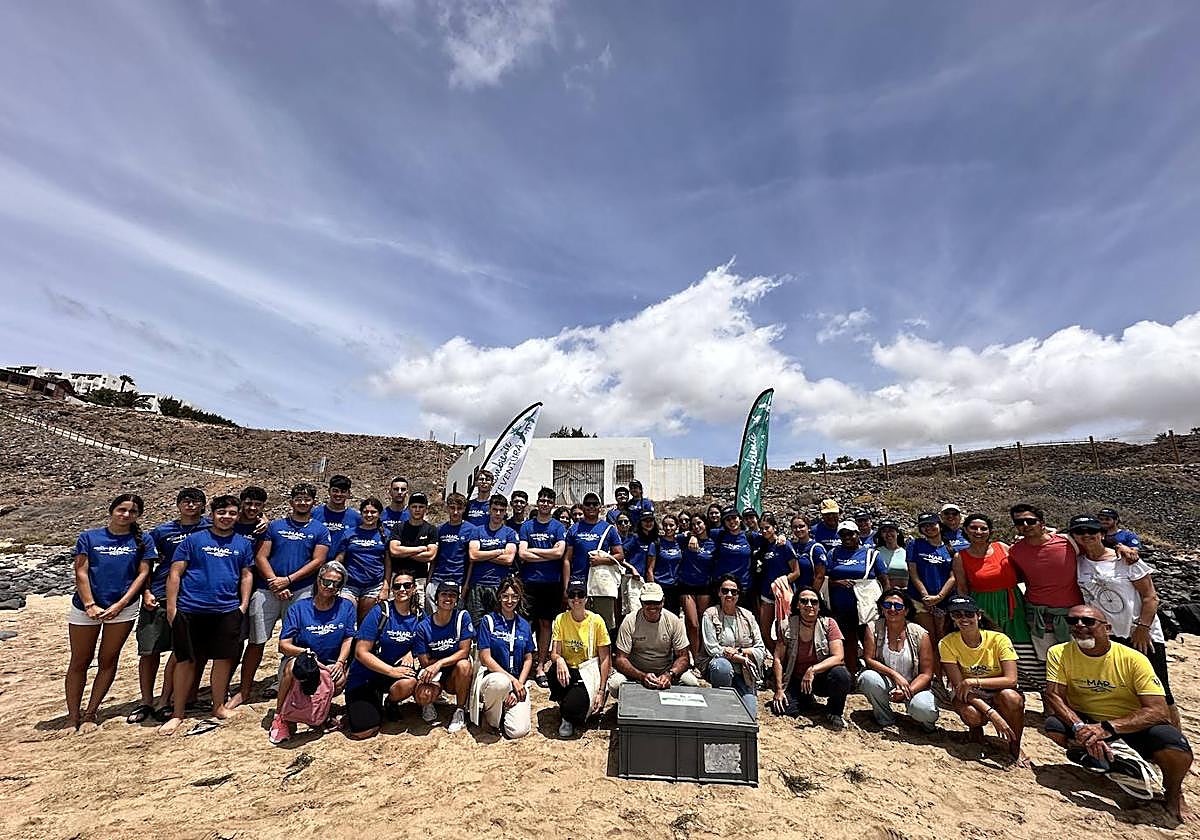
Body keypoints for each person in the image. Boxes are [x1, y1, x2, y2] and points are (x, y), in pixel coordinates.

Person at [1042, 605, 1194, 823]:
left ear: (1107, 629)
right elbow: (1054, 695)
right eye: (1072, 621)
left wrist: (1107, 728)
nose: (1079, 626)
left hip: (1130, 723)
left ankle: (1174, 793)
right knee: (1054, 726)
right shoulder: (1059, 652)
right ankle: (1108, 760)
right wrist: (1081, 728)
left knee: (1176, 748)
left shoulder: (1133, 659)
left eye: (1088, 622)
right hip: (1088, 720)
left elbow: (1159, 711)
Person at [157, 495, 255, 736]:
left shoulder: (242, 543)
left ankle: (218, 706)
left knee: (222, 660)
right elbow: (175, 574)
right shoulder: (194, 540)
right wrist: (172, 608)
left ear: (237, 516)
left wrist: (242, 606)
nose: (226, 517)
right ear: (212, 514)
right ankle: (177, 713)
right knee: (185, 661)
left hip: (226, 610)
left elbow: (246, 575)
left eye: (232, 513)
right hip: (190, 609)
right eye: (221, 512)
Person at [1070, 514, 1178, 728]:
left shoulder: (1126, 560)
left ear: (1102, 534)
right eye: (1079, 532)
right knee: (1123, 688)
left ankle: (1175, 738)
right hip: (1108, 636)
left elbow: (1150, 597)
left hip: (1140, 634)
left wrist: (1142, 628)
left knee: (1159, 690)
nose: (1086, 535)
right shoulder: (1078, 562)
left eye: (1092, 531)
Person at [66, 494, 156, 730]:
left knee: (108, 660)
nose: (126, 515)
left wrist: (121, 604)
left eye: (132, 511)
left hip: (123, 608)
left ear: (138, 515)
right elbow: (81, 572)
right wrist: (90, 604)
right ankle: (72, 716)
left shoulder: (143, 539)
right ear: (112, 510)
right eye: (122, 509)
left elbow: (143, 574)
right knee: (79, 661)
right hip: (86, 606)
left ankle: (90, 713)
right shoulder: (89, 537)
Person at [244, 483, 332, 702]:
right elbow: (261, 556)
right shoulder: (275, 526)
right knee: (256, 640)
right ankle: (244, 689)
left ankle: (283, 681)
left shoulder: (320, 530)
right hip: (267, 589)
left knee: (295, 640)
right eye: (298, 499)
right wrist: (275, 581)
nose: (302, 502)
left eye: (307, 499)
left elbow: (318, 560)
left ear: (313, 503)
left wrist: (289, 580)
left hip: (301, 590)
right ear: (291, 501)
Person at [132, 488, 209, 724]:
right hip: (159, 594)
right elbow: (145, 563)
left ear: (203, 505)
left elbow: (245, 522)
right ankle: (146, 700)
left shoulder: (211, 527)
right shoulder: (162, 531)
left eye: (196, 501)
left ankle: (169, 699)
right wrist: (145, 591)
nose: (190, 505)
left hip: (191, 596)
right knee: (150, 649)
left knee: (182, 651)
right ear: (178, 504)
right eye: (186, 501)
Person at [268, 560, 357, 744]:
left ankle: (318, 713)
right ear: (318, 580)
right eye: (326, 581)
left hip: (330, 662)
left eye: (336, 583)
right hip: (303, 661)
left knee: (339, 679)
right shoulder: (298, 608)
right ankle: (280, 716)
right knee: (293, 669)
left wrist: (340, 662)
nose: (330, 586)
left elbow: (349, 637)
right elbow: (283, 645)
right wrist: (306, 653)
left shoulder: (346, 606)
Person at [938, 595, 1027, 766]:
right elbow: (959, 687)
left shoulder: (999, 639)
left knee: (1012, 698)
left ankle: (1015, 744)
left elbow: (1011, 679)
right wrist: (992, 714)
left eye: (968, 614)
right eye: (957, 614)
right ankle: (975, 729)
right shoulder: (947, 643)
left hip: (997, 689)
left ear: (978, 615)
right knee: (972, 715)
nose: (964, 618)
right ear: (952, 618)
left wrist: (974, 681)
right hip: (968, 694)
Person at [952, 514, 1036, 684]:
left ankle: (1031, 685)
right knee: (989, 644)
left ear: (990, 531)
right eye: (973, 528)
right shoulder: (960, 557)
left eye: (983, 528)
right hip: (983, 606)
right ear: (966, 530)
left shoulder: (1002, 547)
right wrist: (966, 613)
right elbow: (962, 588)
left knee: (1021, 642)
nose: (978, 532)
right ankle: (995, 686)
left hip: (1012, 602)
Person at [343, 569, 422, 740]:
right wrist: (391, 671)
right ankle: (369, 704)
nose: (402, 589)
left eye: (407, 585)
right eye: (397, 586)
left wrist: (411, 652)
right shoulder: (381, 611)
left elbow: (425, 640)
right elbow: (360, 652)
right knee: (364, 731)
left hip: (392, 675)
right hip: (366, 674)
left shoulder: (419, 615)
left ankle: (391, 703)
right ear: (392, 589)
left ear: (414, 588)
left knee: (409, 682)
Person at [1007, 503, 1082, 664]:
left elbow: (1098, 548)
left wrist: (1123, 547)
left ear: (1041, 523)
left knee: (1080, 661)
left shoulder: (1069, 542)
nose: (1025, 525)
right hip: (1038, 617)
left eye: (1030, 521)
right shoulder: (1014, 551)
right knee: (1049, 662)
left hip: (1073, 616)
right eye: (1019, 522)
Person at [771, 587, 851, 729]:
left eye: (814, 602)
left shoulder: (829, 624)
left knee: (841, 674)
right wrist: (779, 689)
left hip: (821, 678)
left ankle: (835, 712)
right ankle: (806, 698)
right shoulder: (786, 625)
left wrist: (812, 670)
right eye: (804, 601)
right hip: (795, 679)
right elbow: (778, 659)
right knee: (783, 709)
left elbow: (839, 657)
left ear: (819, 606)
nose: (809, 605)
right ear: (797, 605)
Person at [859, 588, 938, 731]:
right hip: (889, 681)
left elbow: (926, 674)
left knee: (924, 710)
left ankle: (927, 726)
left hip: (915, 685)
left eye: (898, 606)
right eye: (887, 605)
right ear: (882, 608)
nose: (892, 609)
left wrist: (908, 690)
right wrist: (895, 675)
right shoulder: (873, 628)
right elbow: (869, 659)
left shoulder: (920, 634)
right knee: (867, 678)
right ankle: (885, 718)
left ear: (906, 611)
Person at [608, 582, 694, 698]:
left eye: (656, 602)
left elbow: (683, 657)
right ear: (641, 602)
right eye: (648, 602)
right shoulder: (630, 621)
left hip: (666, 671)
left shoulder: (673, 621)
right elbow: (620, 659)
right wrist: (642, 676)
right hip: (635, 672)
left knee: (691, 683)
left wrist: (670, 674)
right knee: (615, 685)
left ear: (663, 601)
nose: (652, 606)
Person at [825, 522, 890, 675]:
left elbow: (884, 580)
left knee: (870, 640)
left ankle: (876, 674)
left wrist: (886, 603)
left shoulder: (871, 554)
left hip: (866, 607)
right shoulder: (833, 554)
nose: (847, 537)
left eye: (851, 533)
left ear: (858, 534)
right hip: (841, 607)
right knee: (848, 642)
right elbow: (826, 578)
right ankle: (852, 675)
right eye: (843, 534)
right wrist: (837, 583)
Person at [474, 576, 535, 739]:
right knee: (500, 683)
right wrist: (512, 682)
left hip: (517, 682)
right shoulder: (488, 621)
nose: (509, 601)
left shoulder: (524, 624)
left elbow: (528, 658)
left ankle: (504, 709)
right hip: (494, 679)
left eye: (514, 596)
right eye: (505, 596)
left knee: (518, 731)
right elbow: (485, 657)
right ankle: (490, 719)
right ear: (499, 596)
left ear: (519, 598)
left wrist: (518, 685)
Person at [518, 487, 567, 686]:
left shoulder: (558, 527)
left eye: (549, 501)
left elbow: (559, 553)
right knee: (524, 624)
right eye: (542, 500)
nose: (545, 503)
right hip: (529, 582)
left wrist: (535, 552)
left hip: (551, 583)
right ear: (537, 502)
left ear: (553, 504)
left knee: (546, 624)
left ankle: (540, 666)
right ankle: (522, 663)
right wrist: (548, 553)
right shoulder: (527, 526)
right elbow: (522, 553)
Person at [549, 581, 611, 737]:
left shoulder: (597, 621)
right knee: (552, 672)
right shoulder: (561, 619)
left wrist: (601, 691)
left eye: (580, 595)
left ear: (586, 598)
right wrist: (560, 660)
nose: (576, 599)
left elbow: (605, 658)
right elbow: (554, 654)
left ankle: (572, 709)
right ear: (567, 598)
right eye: (572, 595)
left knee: (574, 708)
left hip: (587, 673)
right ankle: (567, 711)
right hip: (569, 671)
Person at [413, 580, 475, 732]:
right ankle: (431, 700)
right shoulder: (423, 627)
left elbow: (464, 652)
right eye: (444, 594)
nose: (448, 598)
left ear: (457, 600)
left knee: (464, 665)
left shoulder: (462, 617)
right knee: (423, 696)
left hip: (454, 672)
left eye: (452, 595)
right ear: (436, 598)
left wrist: (439, 662)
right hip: (434, 673)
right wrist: (447, 660)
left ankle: (460, 710)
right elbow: (424, 662)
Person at [699, 575, 765, 717]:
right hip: (721, 668)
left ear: (739, 594)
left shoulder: (748, 616)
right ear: (719, 593)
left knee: (750, 715)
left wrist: (739, 651)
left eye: (734, 592)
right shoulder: (710, 614)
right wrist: (741, 658)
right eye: (725, 591)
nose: (729, 595)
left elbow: (760, 649)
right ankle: (721, 703)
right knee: (721, 666)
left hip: (744, 673)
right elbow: (712, 649)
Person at [561, 492, 624, 631]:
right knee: (578, 625)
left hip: (601, 584)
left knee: (603, 625)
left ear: (600, 507)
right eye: (588, 504)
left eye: (594, 504)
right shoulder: (574, 529)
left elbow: (620, 556)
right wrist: (566, 587)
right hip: (578, 581)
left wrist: (602, 560)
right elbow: (567, 559)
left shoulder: (609, 529)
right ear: (583, 506)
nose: (591, 506)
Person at [465, 494, 519, 623]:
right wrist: (498, 551)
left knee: (497, 623)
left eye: (501, 510)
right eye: (495, 509)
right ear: (489, 510)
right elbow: (473, 555)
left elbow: (508, 559)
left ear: (505, 512)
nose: (498, 513)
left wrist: (483, 554)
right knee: (475, 624)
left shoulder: (510, 533)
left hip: (499, 586)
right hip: (477, 584)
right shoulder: (477, 531)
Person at [336, 497, 389, 621]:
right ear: (361, 513)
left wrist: (386, 587)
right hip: (349, 585)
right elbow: (340, 558)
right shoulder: (349, 533)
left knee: (365, 623)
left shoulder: (385, 535)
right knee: (347, 619)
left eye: (373, 512)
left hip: (373, 586)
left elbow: (388, 562)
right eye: (366, 512)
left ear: (379, 514)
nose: (369, 515)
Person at [906, 512, 957, 639]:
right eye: (924, 526)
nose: (928, 528)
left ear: (939, 525)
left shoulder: (949, 549)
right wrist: (926, 597)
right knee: (927, 636)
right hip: (920, 599)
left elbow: (953, 576)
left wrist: (939, 597)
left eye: (932, 524)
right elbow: (913, 572)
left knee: (944, 636)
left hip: (944, 600)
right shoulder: (915, 544)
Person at [755, 513, 801, 648]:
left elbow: (796, 572)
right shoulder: (762, 545)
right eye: (761, 528)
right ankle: (775, 655)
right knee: (764, 631)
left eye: (767, 528)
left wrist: (779, 583)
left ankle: (786, 657)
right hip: (766, 594)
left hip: (783, 594)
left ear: (774, 527)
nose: (764, 531)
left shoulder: (784, 545)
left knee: (783, 630)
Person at [679, 513, 716, 666]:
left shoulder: (713, 542)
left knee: (703, 622)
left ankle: (704, 653)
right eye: (693, 524)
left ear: (705, 524)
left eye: (699, 523)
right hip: (686, 585)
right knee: (693, 623)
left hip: (705, 586)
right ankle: (695, 657)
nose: (696, 526)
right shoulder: (685, 539)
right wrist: (691, 535)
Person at [388, 492, 438, 601]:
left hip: (420, 579)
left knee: (418, 609)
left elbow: (430, 555)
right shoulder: (398, 527)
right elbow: (394, 550)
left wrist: (403, 552)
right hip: (398, 578)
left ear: (426, 509)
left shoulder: (431, 529)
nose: (417, 510)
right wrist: (420, 549)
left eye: (421, 507)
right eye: (414, 506)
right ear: (409, 508)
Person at [710, 507, 761, 609]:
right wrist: (692, 536)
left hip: (744, 588)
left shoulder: (750, 536)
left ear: (740, 519)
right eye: (728, 519)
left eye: (734, 518)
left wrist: (781, 537)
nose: (732, 522)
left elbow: (770, 537)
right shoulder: (718, 534)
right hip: (722, 588)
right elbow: (699, 531)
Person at [431, 492, 471, 612]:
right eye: (452, 508)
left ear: (464, 509)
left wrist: (466, 585)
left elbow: (472, 561)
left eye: (459, 508)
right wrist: (429, 579)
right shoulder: (439, 529)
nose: (455, 512)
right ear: (447, 508)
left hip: (458, 580)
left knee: (453, 616)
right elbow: (434, 558)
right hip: (437, 579)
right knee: (433, 615)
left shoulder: (471, 530)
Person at [312, 474, 361, 562]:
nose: (338, 494)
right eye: (335, 491)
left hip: (343, 564)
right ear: (329, 491)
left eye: (343, 491)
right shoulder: (315, 513)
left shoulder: (356, 518)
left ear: (349, 493)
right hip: (314, 562)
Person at [647, 514, 683, 615]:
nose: (668, 528)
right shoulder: (656, 544)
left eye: (671, 525)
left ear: (677, 527)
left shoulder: (680, 542)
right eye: (665, 525)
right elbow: (650, 569)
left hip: (675, 587)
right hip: (660, 585)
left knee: (674, 616)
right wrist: (652, 589)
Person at [788, 516, 828, 592]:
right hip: (795, 592)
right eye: (795, 527)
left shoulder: (816, 548)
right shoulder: (793, 547)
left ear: (808, 528)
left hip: (810, 593)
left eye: (801, 526)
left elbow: (820, 576)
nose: (798, 529)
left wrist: (812, 594)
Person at [873, 519, 908, 588]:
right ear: (881, 535)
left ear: (897, 532)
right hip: (884, 591)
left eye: (891, 531)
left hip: (905, 591)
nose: (888, 534)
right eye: (884, 531)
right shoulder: (876, 553)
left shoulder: (906, 552)